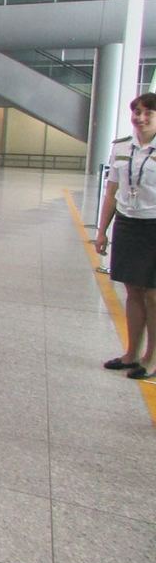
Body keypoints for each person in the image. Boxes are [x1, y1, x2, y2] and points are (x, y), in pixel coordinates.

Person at [95, 93, 156, 379]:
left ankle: (151, 357)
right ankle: (132, 353)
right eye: (137, 112)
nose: (140, 118)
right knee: (132, 291)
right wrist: (102, 231)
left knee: (153, 294)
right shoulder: (121, 147)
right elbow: (110, 192)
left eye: (148, 113)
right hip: (127, 223)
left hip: (154, 225)